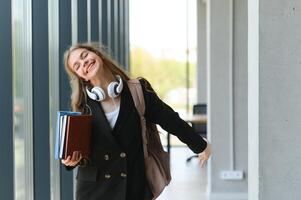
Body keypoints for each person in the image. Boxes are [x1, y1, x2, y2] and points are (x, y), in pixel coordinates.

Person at [61, 43, 212, 200]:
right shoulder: (82, 105)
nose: (83, 63)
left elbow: (170, 119)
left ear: (97, 55)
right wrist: (71, 160)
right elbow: (76, 147)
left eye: (84, 56)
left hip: (132, 185)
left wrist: (200, 144)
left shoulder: (137, 91)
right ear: (82, 77)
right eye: (77, 66)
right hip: (94, 190)